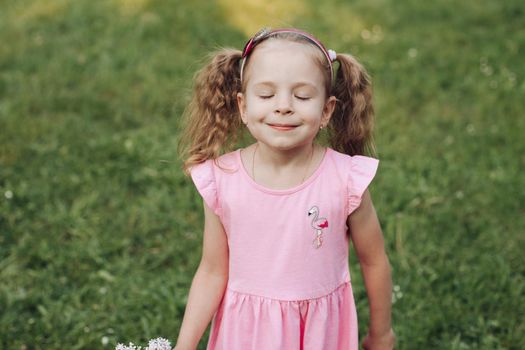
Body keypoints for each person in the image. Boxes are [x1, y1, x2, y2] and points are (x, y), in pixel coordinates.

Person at [174, 27, 395, 350]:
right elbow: (211, 271)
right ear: (243, 106)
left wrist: (381, 334)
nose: (283, 106)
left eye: (302, 96)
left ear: (326, 111)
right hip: (246, 334)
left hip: (319, 335)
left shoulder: (345, 179)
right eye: (266, 95)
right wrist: (185, 345)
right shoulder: (223, 180)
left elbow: (374, 261)